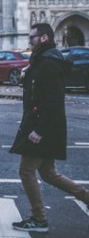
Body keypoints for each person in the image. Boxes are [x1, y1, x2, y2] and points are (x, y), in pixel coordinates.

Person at [10, 23, 89, 232]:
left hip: (42, 127)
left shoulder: (49, 62)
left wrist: (39, 130)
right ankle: (86, 197)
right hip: (43, 124)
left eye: (32, 37)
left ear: (44, 38)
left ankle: (39, 218)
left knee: (26, 170)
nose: (30, 41)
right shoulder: (43, 59)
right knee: (47, 172)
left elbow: (53, 100)